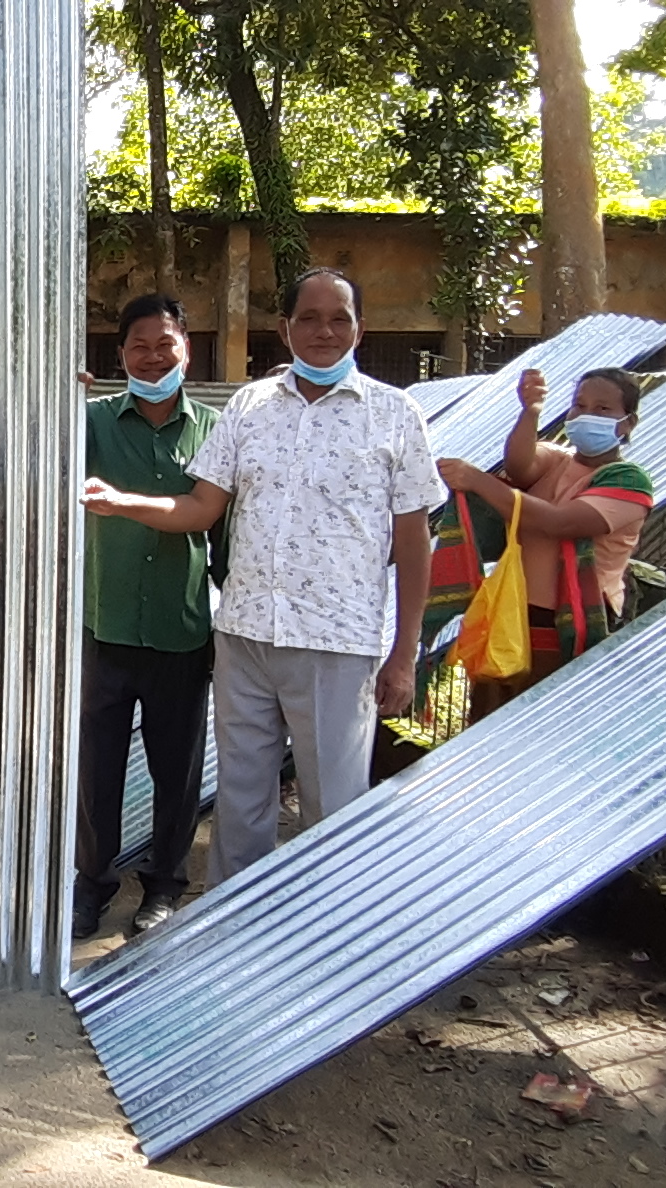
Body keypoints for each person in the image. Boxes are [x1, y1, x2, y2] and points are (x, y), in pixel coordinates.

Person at [84, 267, 446, 884]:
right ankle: (232, 923)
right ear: (285, 328)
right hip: (245, 637)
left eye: (338, 319)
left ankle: (325, 925)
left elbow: (413, 542)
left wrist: (404, 654)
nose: (324, 331)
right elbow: (201, 508)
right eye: (309, 318)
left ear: (359, 329)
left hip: (335, 641)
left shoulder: (395, 414)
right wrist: (122, 503)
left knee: (332, 807)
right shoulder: (250, 408)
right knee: (241, 803)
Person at [72, 294, 221, 940]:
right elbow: (42, 462)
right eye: (140, 345)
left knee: (176, 770)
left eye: (166, 344)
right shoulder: (92, 422)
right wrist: (60, 402)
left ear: (186, 349)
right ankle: (92, 884)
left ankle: (164, 884)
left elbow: (220, 526)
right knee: (97, 769)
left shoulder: (215, 429)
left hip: (179, 629)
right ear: (121, 355)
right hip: (104, 626)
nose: (154, 357)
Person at [438, 366, 653, 721]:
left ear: (627, 423)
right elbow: (519, 467)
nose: (586, 415)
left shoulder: (628, 482)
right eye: (579, 405)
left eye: (602, 409)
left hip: (564, 628)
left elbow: (558, 523)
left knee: (540, 723)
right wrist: (530, 411)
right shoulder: (556, 460)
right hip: (511, 618)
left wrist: (478, 481)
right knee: (489, 723)